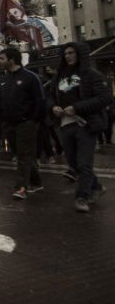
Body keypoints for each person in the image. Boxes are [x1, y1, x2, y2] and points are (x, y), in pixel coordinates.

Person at [47, 43, 110, 212]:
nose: (68, 56)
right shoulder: (59, 76)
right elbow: (50, 97)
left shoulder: (92, 75)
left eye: (71, 53)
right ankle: (96, 186)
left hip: (86, 124)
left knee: (84, 163)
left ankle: (82, 197)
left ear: (79, 54)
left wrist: (77, 107)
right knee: (74, 163)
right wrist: (53, 107)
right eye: (65, 53)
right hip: (65, 124)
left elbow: (104, 98)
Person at [0, 47, 45, 200]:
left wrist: (33, 119)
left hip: (26, 123)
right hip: (8, 123)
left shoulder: (30, 77)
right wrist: (2, 119)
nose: (0, 61)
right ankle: (36, 181)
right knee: (20, 154)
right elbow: (0, 101)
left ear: (12, 59)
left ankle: (21, 187)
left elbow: (39, 100)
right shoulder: (3, 79)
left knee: (23, 155)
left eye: (2, 58)